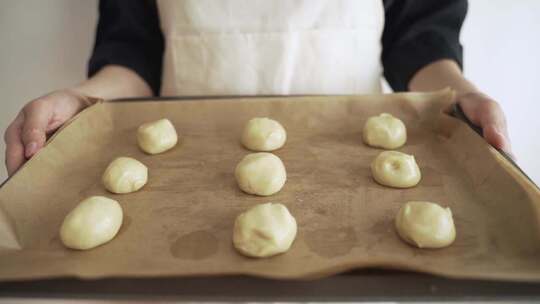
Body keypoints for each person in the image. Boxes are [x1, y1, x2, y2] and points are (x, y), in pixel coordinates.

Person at [4, 0, 512, 176]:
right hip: (181, 171)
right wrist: (82, 99)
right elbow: (133, 55)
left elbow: (418, 44)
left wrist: (456, 92)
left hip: (350, 163)